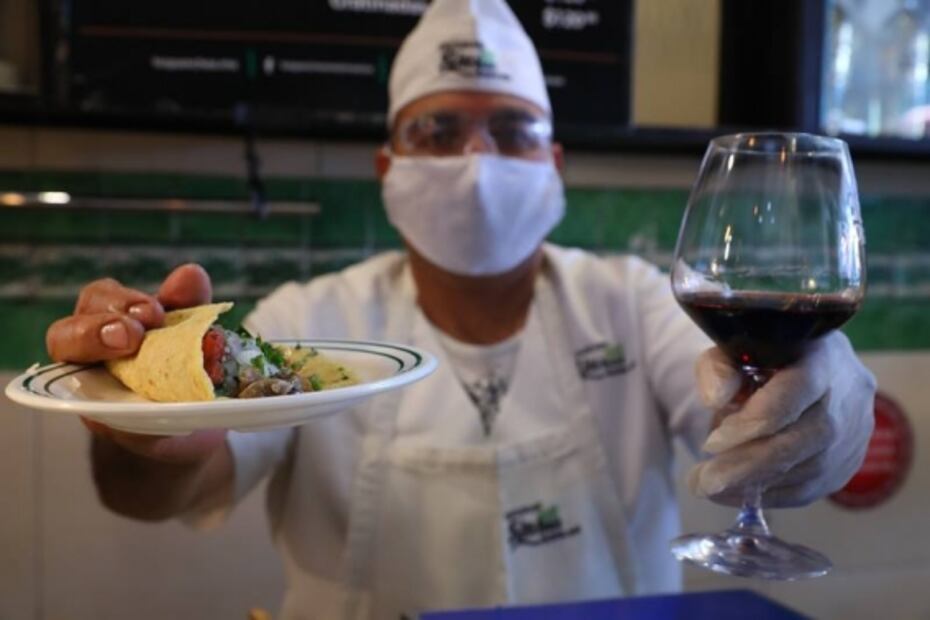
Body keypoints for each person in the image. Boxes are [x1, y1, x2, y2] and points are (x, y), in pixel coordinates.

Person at [45, 1, 877, 618]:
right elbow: (157, 493)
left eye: (511, 131)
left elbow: (736, 407)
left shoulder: (630, 302)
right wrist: (146, 434)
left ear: (553, 163)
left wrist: (821, 404)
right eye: (439, 131)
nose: (478, 159)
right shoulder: (307, 317)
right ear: (388, 167)